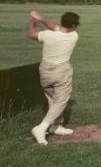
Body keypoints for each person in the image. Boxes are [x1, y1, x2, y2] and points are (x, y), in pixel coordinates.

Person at [28, 10, 80, 145]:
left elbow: (32, 34)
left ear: (62, 22)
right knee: (61, 100)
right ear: (74, 26)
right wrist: (41, 19)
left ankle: (56, 126)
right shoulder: (73, 36)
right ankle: (42, 128)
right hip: (61, 70)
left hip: (45, 70)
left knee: (52, 99)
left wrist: (34, 21)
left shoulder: (47, 35)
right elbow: (55, 27)